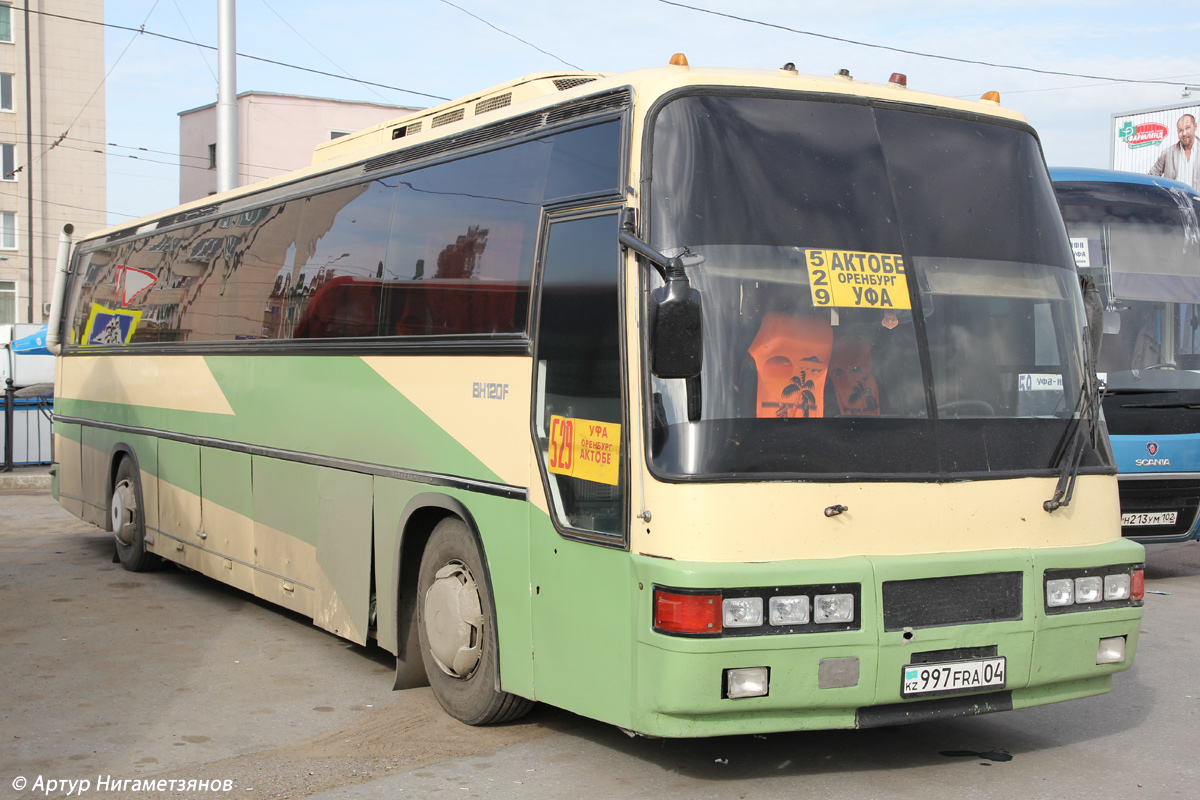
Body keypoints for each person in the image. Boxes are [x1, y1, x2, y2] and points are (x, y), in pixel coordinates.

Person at [1149, 114, 1199, 189]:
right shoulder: (1167, 153)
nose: (1184, 133)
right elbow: (1151, 177)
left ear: (1195, 127)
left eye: (1187, 128)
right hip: (1173, 200)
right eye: (1180, 130)